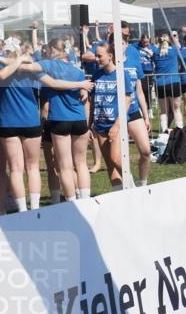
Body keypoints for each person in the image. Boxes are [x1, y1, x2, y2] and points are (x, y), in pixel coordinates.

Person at [20, 39, 94, 202]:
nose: (44, 53)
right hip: (79, 118)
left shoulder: (50, 67)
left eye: (46, 50)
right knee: (81, 163)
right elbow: (84, 96)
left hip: (60, 119)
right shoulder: (78, 71)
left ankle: (71, 202)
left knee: (65, 166)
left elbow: (46, 101)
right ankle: (85, 200)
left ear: (53, 50)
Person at [90, 44, 137, 189]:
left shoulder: (122, 74)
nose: (96, 59)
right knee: (110, 164)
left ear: (110, 56)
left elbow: (128, 100)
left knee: (116, 158)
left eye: (100, 56)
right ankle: (119, 194)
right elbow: (93, 100)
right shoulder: (96, 75)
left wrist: (117, 125)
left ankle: (132, 187)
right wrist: (90, 124)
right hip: (100, 124)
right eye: (96, 56)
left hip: (116, 123)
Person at [153, 32, 183, 131]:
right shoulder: (174, 51)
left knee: (163, 111)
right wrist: (174, 38)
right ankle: (180, 131)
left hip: (160, 84)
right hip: (174, 82)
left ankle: (164, 132)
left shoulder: (156, 52)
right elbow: (179, 45)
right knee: (177, 110)